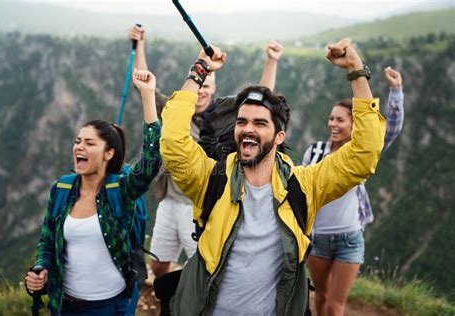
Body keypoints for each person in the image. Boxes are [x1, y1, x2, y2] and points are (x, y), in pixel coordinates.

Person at [159, 38, 385, 315]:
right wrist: (200, 70)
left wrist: (356, 70)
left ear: (280, 136)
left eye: (260, 123)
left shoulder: (304, 186)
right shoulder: (211, 179)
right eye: (241, 122)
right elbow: (172, 142)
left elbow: (364, 154)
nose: (248, 129)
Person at [128, 25, 284, 278]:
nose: (201, 91)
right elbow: (145, 85)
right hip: (170, 199)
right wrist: (141, 45)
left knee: (203, 266)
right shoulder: (175, 108)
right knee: (159, 264)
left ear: (213, 90)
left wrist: (271, 61)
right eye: (199, 85)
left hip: (202, 200)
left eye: (207, 87)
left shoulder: (224, 120)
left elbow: (261, 103)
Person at [25, 69, 161, 315]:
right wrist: (40, 269)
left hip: (113, 306)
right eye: (78, 141)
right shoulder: (62, 190)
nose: (79, 147)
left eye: (89, 143)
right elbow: (47, 241)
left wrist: (148, 96)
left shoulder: (120, 191)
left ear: (108, 154)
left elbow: (150, 163)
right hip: (66, 305)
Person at [302, 66, 404, 316]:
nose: (333, 124)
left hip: (349, 238)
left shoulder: (359, 154)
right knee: (321, 296)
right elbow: (302, 191)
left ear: (354, 124)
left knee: (336, 306)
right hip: (318, 239)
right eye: (331, 118)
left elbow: (389, 130)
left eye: (340, 119)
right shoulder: (314, 152)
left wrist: (396, 92)